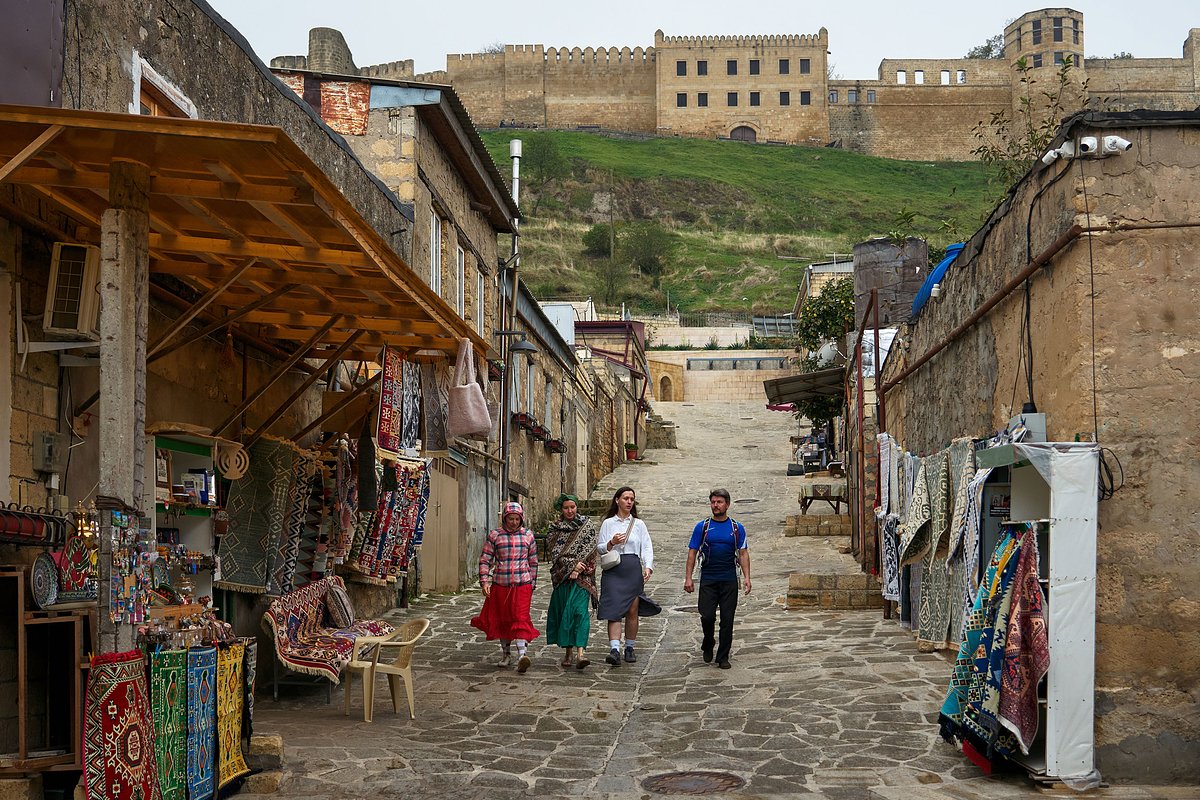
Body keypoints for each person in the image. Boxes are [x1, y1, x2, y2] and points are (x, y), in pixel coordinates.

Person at [684, 488, 752, 669]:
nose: (716, 505)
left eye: (719, 502)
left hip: (729, 579)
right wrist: (688, 578)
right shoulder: (703, 527)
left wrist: (747, 577)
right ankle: (708, 641)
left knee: (727, 619)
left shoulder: (736, 528)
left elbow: (743, 553)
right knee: (706, 616)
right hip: (708, 579)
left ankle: (723, 657)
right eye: (713, 502)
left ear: (727, 505)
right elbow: (692, 552)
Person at [471, 501, 539, 673]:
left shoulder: (528, 536)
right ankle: (506, 654)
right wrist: (484, 581)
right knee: (503, 619)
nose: (514, 522)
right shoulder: (495, 536)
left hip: (522, 584)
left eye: (517, 519)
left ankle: (522, 655)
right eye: (511, 519)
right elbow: (485, 559)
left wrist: (533, 583)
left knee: (520, 617)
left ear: (521, 519)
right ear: (505, 518)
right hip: (501, 584)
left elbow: (533, 562)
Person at [596, 486, 660, 666]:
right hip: (614, 569)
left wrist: (648, 567)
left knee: (633, 609)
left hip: (632, 569)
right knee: (614, 609)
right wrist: (611, 542)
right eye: (626, 498)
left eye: (632, 499)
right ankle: (614, 649)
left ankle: (629, 647)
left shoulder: (638, 524)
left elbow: (646, 547)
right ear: (617, 500)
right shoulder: (608, 523)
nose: (629, 502)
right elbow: (600, 548)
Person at [545, 494, 598, 669]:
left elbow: (591, 550)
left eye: (573, 507)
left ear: (577, 507)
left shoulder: (587, 526)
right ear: (561, 509)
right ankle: (568, 652)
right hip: (562, 578)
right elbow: (555, 554)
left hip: (583, 578)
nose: (570, 511)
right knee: (564, 613)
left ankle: (581, 653)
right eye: (566, 508)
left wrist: (579, 569)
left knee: (579, 613)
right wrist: (571, 567)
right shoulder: (555, 529)